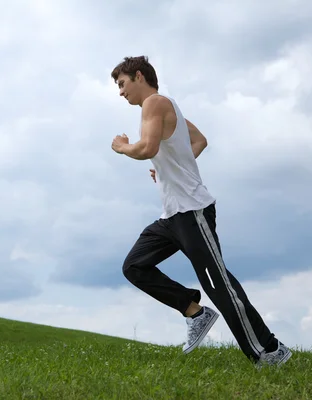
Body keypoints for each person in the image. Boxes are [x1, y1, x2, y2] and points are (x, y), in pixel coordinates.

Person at [109, 55, 291, 367]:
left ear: (139, 76)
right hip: (172, 217)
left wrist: (123, 147)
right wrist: (170, 168)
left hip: (192, 213)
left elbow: (147, 148)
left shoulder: (154, 102)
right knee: (135, 266)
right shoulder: (164, 106)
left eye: (122, 84)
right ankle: (196, 312)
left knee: (219, 285)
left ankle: (270, 351)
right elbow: (199, 140)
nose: (120, 92)